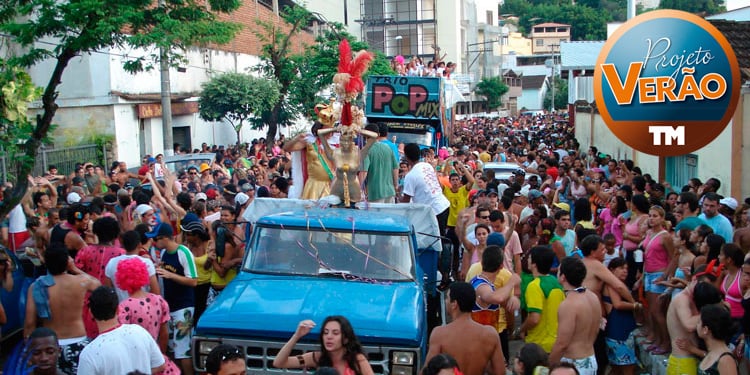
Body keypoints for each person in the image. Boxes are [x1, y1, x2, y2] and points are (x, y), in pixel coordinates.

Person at [23, 245, 100, 375]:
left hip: (49, 348)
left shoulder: (37, 286)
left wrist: (28, 350)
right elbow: (98, 285)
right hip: (78, 342)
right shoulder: (80, 282)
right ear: (66, 262)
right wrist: (74, 268)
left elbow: (30, 323)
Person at [77, 286, 166, 374]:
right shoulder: (139, 331)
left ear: (91, 313)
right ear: (118, 309)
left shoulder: (89, 354)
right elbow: (160, 365)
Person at [148, 222, 198, 375]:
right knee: (172, 347)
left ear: (164, 238)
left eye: (156, 240)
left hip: (184, 305)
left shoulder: (184, 252)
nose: (154, 243)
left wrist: (170, 275)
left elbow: (194, 280)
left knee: (183, 349)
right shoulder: (164, 254)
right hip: (169, 306)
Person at [425, 282, 506, 375]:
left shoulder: (439, 334)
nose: (446, 301)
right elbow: (500, 372)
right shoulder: (490, 334)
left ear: (454, 304)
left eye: (447, 298)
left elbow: (427, 371)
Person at [116, 258, 180, 374]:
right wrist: (161, 354)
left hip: (137, 359)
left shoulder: (124, 307)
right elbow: (164, 333)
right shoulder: (159, 300)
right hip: (157, 356)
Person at [549, 257, 601, 375]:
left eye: (558, 271)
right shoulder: (593, 297)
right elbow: (596, 329)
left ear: (563, 277)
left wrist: (549, 366)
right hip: (590, 358)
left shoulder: (568, 305)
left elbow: (562, 344)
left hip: (574, 364)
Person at [273, 315, 374, 375]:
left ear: (346, 338)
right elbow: (279, 363)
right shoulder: (316, 357)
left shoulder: (357, 360)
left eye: (335, 333)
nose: (329, 337)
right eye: (325, 333)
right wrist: (296, 336)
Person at [519, 246, 565, 353]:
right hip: (556, 341)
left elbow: (534, 318)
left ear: (534, 264)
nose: (527, 260)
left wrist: (521, 329)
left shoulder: (534, 286)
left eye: (529, 258)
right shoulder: (556, 282)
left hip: (539, 344)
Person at [602, 258, 639, 375]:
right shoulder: (611, 284)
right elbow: (618, 304)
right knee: (628, 367)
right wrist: (636, 306)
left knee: (617, 368)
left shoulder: (617, 284)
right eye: (621, 268)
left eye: (627, 269)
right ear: (612, 270)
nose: (625, 271)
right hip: (619, 332)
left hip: (618, 331)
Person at [361, 123, 399, 203]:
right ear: (378, 134)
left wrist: (357, 189)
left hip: (375, 193)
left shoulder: (365, 150)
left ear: (365, 135)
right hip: (390, 192)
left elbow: (363, 172)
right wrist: (396, 185)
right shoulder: (388, 148)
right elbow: (395, 168)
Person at [696, 304, 739, 375]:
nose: (696, 325)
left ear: (705, 329)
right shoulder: (712, 352)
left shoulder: (725, 359)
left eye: (698, 322)